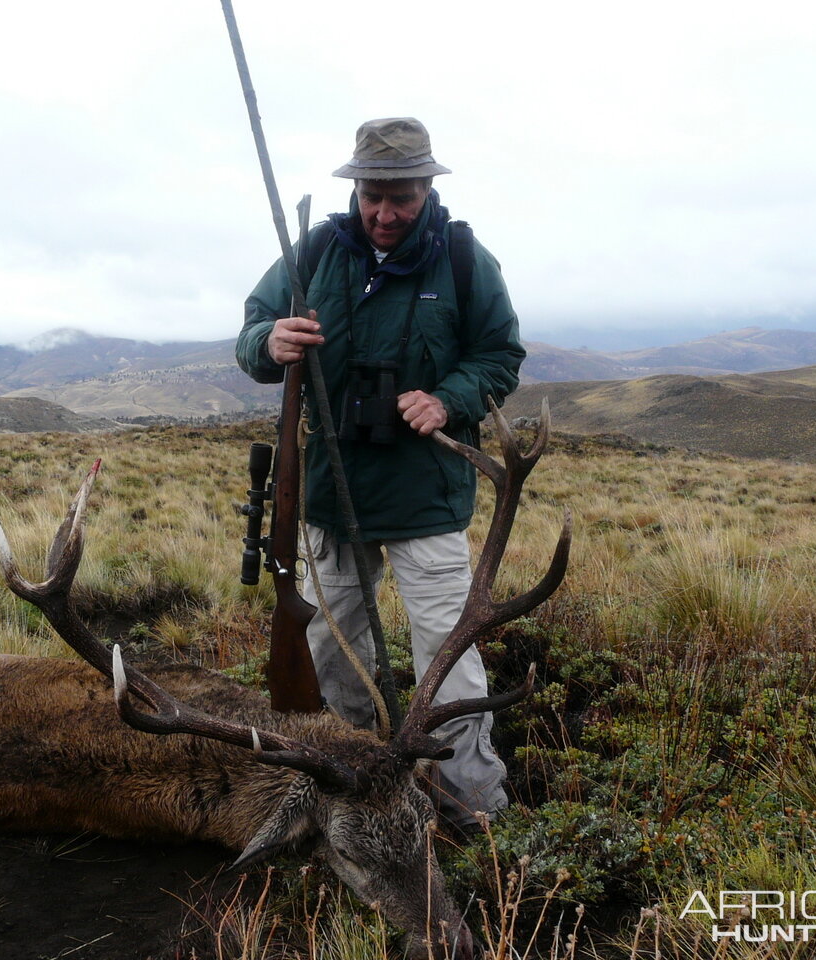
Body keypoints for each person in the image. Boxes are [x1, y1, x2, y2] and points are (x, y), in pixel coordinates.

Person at [235, 117, 525, 832]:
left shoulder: (462, 260)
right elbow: (250, 335)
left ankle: (471, 806)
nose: (385, 213)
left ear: (428, 188)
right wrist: (269, 342)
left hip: (426, 498)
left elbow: (499, 357)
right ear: (356, 189)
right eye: (373, 195)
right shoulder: (316, 253)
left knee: (449, 660)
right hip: (330, 496)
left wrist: (448, 399)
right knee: (330, 650)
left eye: (401, 196)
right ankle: (353, 786)